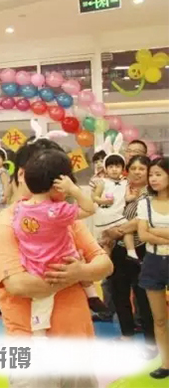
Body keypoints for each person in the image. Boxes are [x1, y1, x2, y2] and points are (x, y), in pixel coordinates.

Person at [0, 138, 113, 388]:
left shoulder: (61, 215)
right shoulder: (4, 224)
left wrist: (82, 270)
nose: (62, 189)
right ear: (23, 175)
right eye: (56, 181)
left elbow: (105, 265)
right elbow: (19, 285)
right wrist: (76, 275)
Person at [11, 149, 99, 336]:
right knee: (79, 258)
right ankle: (91, 294)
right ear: (57, 184)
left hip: (34, 266)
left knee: (40, 304)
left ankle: (39, 333)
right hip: (58, 266)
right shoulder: (57, 211)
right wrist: (74, 190)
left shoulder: (20, 208)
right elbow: (90, 209)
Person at [100, 155, 156, 360]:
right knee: (119, 293)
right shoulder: (120, 190)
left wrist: (118, 230)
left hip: (142, 249)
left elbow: (141, 219)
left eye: (142, 169)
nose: (137, 172)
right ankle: (127, 335)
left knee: (144, 297)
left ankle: (151, 343)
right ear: (127, 170)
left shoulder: (153, 193)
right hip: (118, 249)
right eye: (133, 168)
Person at [136, 157, 169, 379]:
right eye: (151, 175)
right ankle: (166, 363)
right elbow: (143, 235)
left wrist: (154, 231)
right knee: (159, 319)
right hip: (153, 262)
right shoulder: (144, 203)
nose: (153, 179)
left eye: (158, 174)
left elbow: (149, 232)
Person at [92, 152, 129, 252]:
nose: (114, 169)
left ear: (123, 168)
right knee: (105, 243)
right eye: (111, 167)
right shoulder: (102, 182)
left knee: (124, 233)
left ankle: (130, 251)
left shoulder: (126, 182)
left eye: (117, 166)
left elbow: (127, 197)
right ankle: (105, 259)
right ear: (106, 169)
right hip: (105, 214)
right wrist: (103, 201)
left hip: (118, 214)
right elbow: (94, 197)